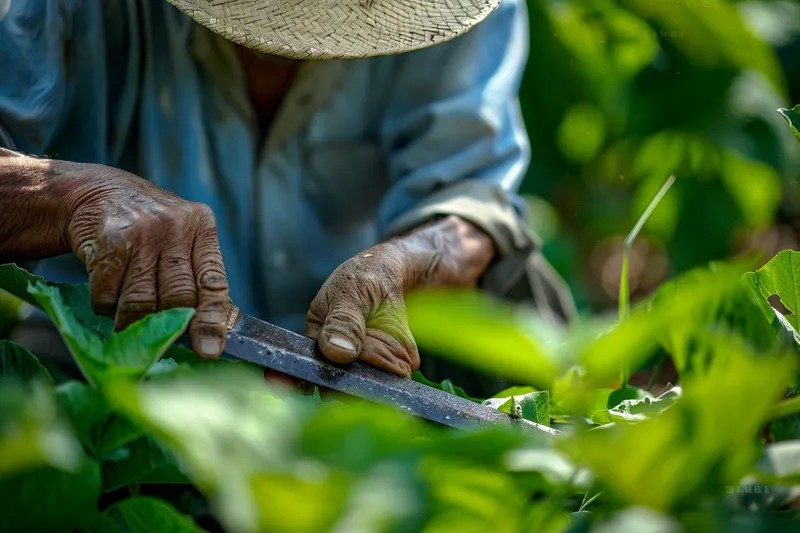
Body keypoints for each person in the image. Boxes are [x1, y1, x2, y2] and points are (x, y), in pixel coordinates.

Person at [0, 0, 574, 386]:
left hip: (357, 378)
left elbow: (470, 198)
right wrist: (74, 196)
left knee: (516, 305)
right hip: (105, 357)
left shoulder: (467, 17)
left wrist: (404, 264)